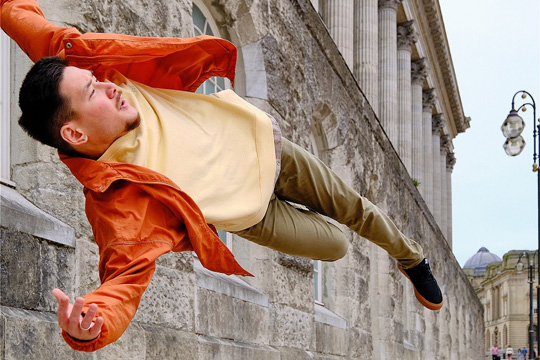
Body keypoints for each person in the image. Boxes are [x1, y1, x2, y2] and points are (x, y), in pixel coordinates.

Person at [1, 0, 444, 352]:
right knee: (337, 243)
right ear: (74, 132)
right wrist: (88, 325)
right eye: (92, 90)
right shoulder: (117, 201)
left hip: (268, 152)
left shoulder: (95, 67)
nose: (108, 84)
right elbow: (121, 282)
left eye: (97, 79)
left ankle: (411, 258)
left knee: (355, 209)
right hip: (252, 214)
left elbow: (22, 16)